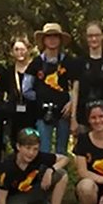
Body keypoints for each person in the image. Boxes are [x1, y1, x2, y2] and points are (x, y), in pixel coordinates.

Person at [0, 128, 70, 204]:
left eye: (35, 149)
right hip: (15, 197)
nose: (31, 153)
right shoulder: (7, 166)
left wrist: (51, 170)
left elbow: (64, 159)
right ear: (18, 147)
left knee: (61, 174)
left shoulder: (39, 157)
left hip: (33, 191)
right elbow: (1, 200)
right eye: (27, 148)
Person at [23, 23, 77, 154]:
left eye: (55, 36)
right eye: (48, 37)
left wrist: (71, 103)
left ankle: (60, 174)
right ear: (44, 40)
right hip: (43, 114)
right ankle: (44, 174)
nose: (52, 40)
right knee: (43, 150)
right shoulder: (36, 63)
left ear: (60, 40)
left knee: (61, 151)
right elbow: (26, 89)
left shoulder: (69, 61)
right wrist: (41, 99)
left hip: (64, 113)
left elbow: (76, 86)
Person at [70, 21, 103, 135]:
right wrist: (73, 119)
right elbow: (75, 90)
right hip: (83, 118)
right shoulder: (79, 61)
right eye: (90, 36)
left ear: (102, 36)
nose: (93, 39)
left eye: (96, 35)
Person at [6, 36, 37, 149]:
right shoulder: (9, 71)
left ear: (29, 50)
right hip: (15, 115)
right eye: (16, 49)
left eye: (23, 49)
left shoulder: (35, 68)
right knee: (16, 144)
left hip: (33, 114)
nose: (20, 53)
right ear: (12, 52)